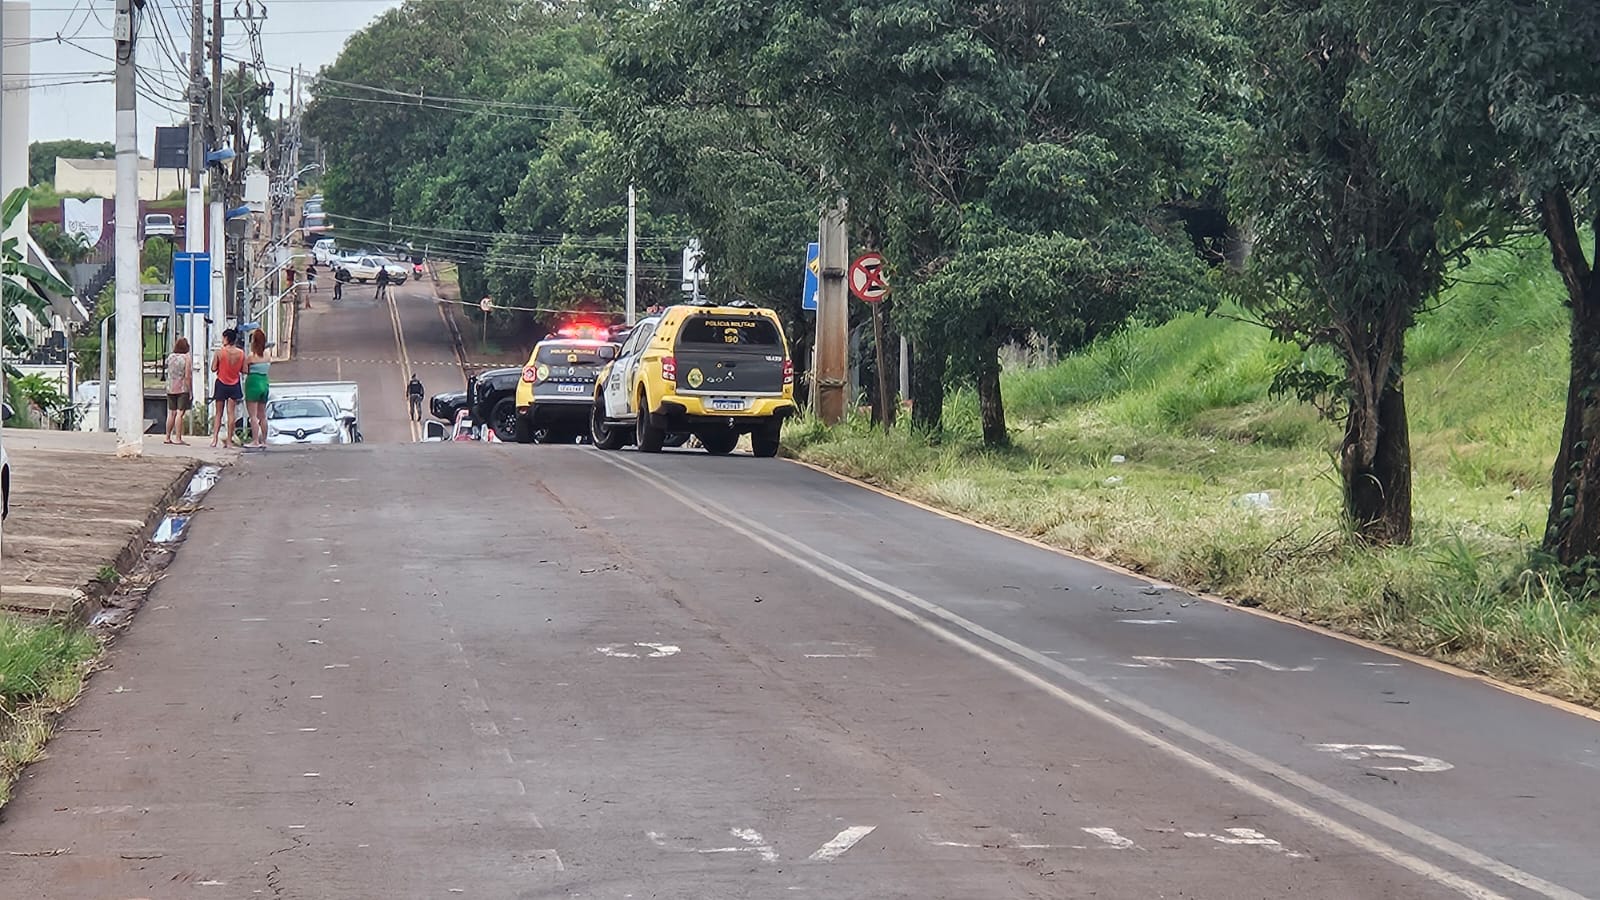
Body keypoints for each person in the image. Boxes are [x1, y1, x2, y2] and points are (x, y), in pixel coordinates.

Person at [210, 328, 246, 449]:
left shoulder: (220, 353)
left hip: (221, 383)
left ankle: (214, 439)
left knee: (218, 413)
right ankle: (229, 440)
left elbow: (213, 368)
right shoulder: (241, 353)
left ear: (226, 338)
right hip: (234, 384)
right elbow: (244, 370)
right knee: (231, 413)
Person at [244, 329, 271, 449]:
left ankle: (255, 440)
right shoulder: (268, 354)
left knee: (253, 415)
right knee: (262, 415)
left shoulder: (251, 356)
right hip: (265, 382)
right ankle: (264, 441)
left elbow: (245, 370)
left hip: (253, 383)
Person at [164, 336, 193, 445]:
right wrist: (190, 390)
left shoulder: (170, 357)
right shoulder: (186, 358)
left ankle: (167, 437)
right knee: (180, 413)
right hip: (182, 388)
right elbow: (187, 376)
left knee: (171, 413)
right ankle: (178, 438)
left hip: (170, 387)